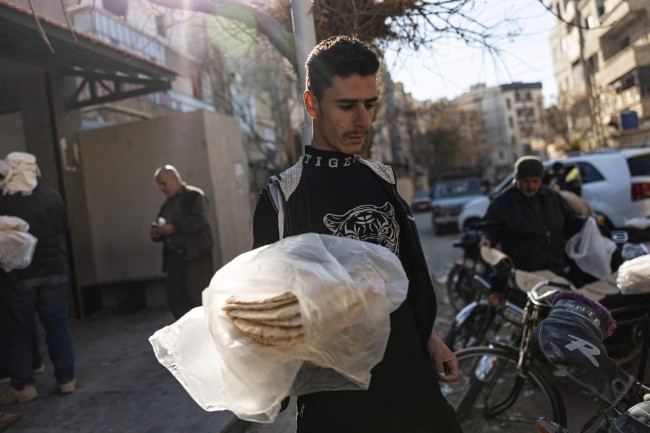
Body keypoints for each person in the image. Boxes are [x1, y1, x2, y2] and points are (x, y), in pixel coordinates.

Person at [252, 36, 462, 433]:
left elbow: (402, 279)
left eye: (370, 104)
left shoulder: (381, 178)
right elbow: (268, 314)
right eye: (347, 106)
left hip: (413, 384)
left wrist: (430, 338)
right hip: (338, 405)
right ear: (312, 104)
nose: (363, 120)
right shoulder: (282, 198)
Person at [0, 152, 76, 404]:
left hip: (20, 276)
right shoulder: (52, 195)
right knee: (57, 325)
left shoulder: (5, 201)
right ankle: (66, 380)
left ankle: (24, 387)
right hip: (55, 270)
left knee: (19, 330)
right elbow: (64, 226)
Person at [482, 156, 584, 280]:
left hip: (557, 268)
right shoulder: (502, 203)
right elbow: (489, 227)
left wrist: (587, 222)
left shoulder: (551, 197)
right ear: (517, 179)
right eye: (526, 181)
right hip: (525, 273)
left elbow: (570, 219)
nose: (531, 186)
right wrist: (486, 239)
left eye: (535, 181)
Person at [150, 165, 214, 320]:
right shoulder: (167, 205)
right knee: (177, 301)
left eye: (164, 183)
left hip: (195, 259)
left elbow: (199, 221)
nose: (161, 188)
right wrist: (157, 232)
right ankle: (188, 338)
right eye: (159, 184)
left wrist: (174, 228)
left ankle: (206, 336)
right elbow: (161, 226)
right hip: (174, 260)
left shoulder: (194, 196)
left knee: (198, 299)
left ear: (174, 178)